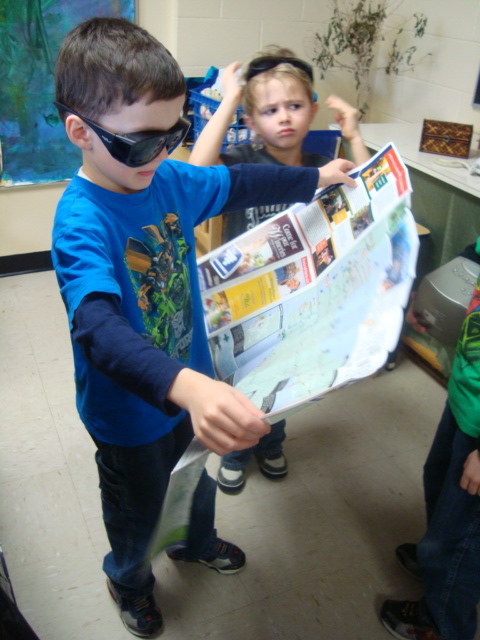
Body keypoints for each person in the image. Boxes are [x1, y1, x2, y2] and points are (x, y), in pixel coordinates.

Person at [52, 18, 357, 639]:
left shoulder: (164, 176)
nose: (160, 155)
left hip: (189, 387)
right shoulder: (80, 220)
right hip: (130, 415)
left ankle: (193, 543)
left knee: (193, 481)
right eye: (142, 142)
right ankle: (129, 579)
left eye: (175, 134)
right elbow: (98, 329)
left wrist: (315, 178)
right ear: (81, 132)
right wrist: (186, 386)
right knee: (138, 512)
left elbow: (238, 181)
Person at [189, 45, 371, 494]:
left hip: (299, 303)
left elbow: (368, 193)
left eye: (294, 106)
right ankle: (236, 452)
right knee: (241, 383)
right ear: (252, 122)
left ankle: (272, 441)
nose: (284, 117)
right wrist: (231, 100)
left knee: (283, 377)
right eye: (270, 111)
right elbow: (196, 171)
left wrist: (353, 134)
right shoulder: (243, 161)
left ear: (312, 110)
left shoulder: (322, 167)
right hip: (244, 305)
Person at [380, 240, 480, 640]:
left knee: (464, 534)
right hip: (468, 397)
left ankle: (443, 622)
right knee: (439, 480)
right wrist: (429, 303)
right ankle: (436, 560)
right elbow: (471, 261)